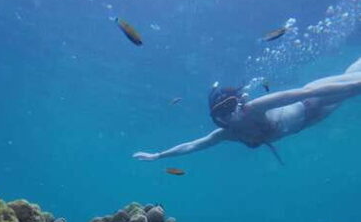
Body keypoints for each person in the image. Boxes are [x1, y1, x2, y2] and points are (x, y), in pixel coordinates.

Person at [133, 57, 361, 164]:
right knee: (350, 91)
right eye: (223, 112)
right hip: (306, 121)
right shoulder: (226, 134)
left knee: (353, 85)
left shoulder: (254, 108)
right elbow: (194, 145)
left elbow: (301, 93)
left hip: (311, 100)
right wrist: (158, 156)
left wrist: (353, 86)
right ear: (217, 118)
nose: (230, 113)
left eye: (231, 106)